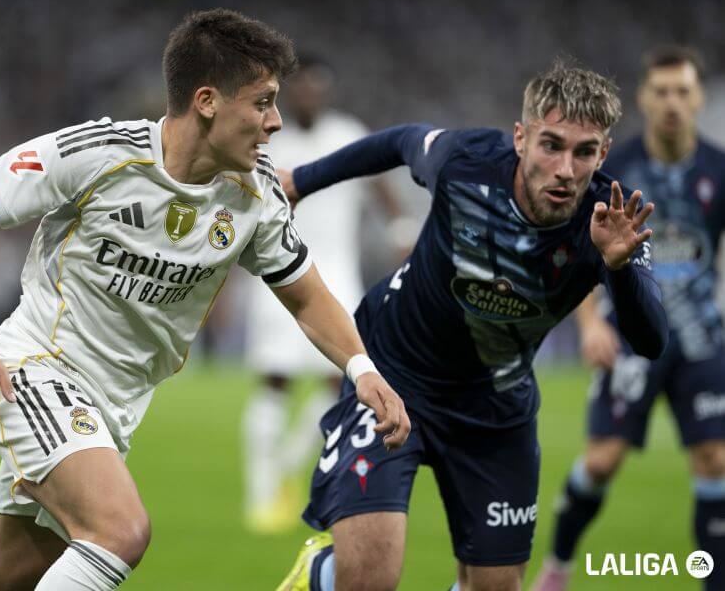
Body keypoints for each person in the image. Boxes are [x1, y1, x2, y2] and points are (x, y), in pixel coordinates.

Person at [0, 9, 410, 591]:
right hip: (37, 369)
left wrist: (361, 369)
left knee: (3, 582)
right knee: (119, 532)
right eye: (262, 102)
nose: (275, 122)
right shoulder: (99, 154)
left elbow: (306, 295)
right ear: (207, 100)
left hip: (118, 404)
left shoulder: (254, 193)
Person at [276, 58, 669, 591]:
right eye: (551, 144)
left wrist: (619, 268)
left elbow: (650, 340)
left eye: (584, 152)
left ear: (603, 152)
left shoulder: (609, 219)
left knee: (496, 585)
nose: (566, 170)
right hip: (394, 376)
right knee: (368, 578)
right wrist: (302, 180)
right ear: (520, 137)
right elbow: (397, 142)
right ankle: (321, 574)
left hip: (495, 409)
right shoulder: (465, 161)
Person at [533, 46, 725, 591]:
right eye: (661, 91)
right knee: (601, 461)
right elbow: (580, 252)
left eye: (682, 91)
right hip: (630, 334)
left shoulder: (719, 170)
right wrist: (591, 324)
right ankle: (559, 565)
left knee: (716, 459)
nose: (671, 103)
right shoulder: (614, 171)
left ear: (698, 99)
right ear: (642, 98)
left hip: (701, 338)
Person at [241, 55, 404, 534]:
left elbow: (379, 181)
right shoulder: (270, 141)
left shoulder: (345, 134)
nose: (312, 94)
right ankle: (259, 493)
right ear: (289, 93)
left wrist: (400, 227)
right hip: (276, 276)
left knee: (342, 384)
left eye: (319, 86)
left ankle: (288, 465)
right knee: (275, 382)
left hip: (337, 276)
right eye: (304, 87)